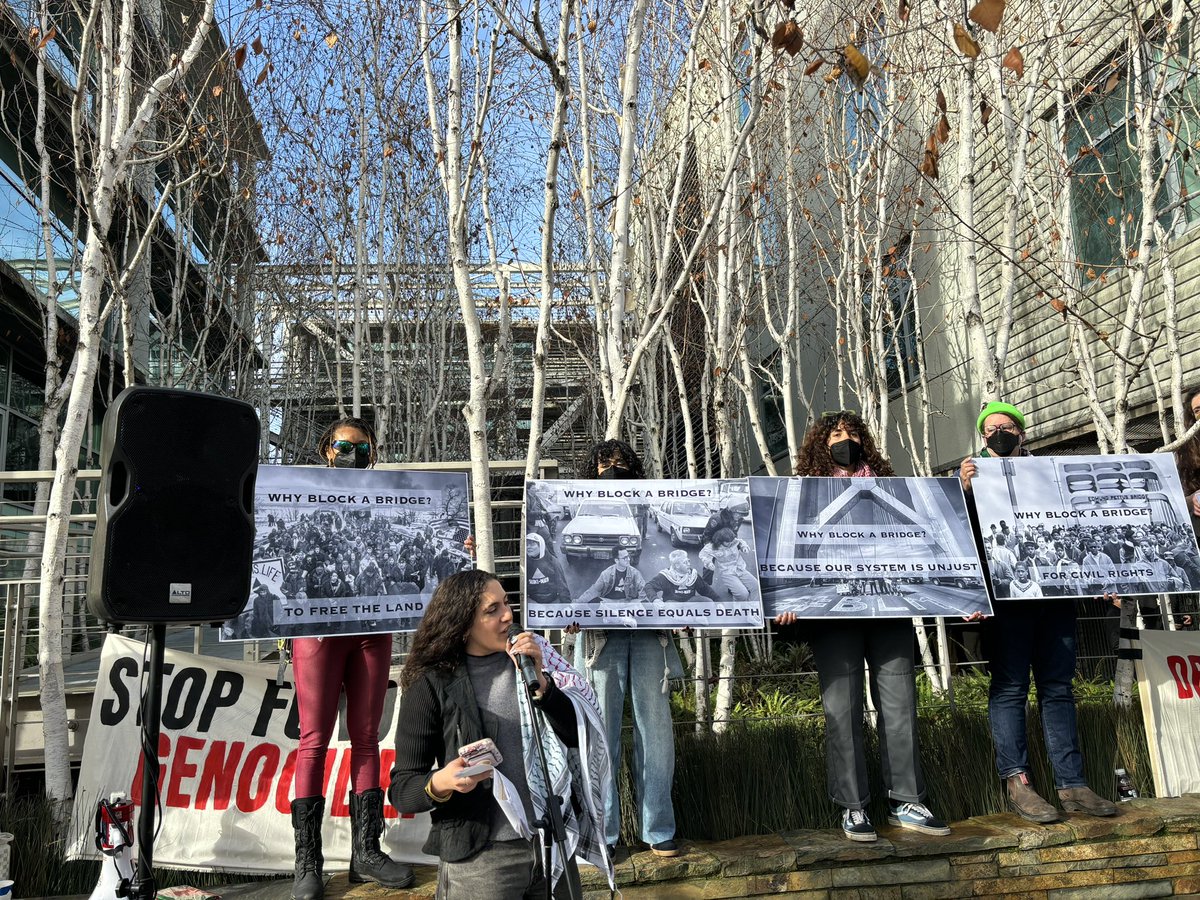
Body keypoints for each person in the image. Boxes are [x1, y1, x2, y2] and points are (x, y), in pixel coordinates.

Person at [777, 411, 949, 843]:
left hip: (889, 609)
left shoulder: (893, 490)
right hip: (832, 615)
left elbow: (924, 539)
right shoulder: (803, 494)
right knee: (842, 711)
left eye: (853, 433)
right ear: (820, 443)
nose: (846, 440)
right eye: (836, 434)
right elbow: (787, 547)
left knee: (900, 705)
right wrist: (785, 599)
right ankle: (853, 807)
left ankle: (907, 799)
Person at [389, 570, 610, 897]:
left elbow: (577, 737)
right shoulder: (431, 683)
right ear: (462, 623)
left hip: (550, 846)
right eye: (492, 610)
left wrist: (544, 687)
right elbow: (402, 788)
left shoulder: (534, 660)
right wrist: (442, 782)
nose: (508, 615)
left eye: (506, 603)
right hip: (481, 860)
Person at [959, 401, 1117, 823]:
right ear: (983, 437)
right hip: (1006, 602)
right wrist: (966, 493)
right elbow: (959, 539)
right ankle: (1018, 782)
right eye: (990, 429)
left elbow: (1084, 524)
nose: (998, 434)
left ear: (1022, 433)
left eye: (1006, 426)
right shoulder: (970, 478)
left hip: (1057, 599)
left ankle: (1072, 784)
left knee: (1058, 688)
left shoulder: (1051, 472)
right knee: (1010, 688)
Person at [288, 417, 414, 900]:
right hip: (317, 629)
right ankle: (308, 863)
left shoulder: (386, 496)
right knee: (314, 738)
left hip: (371, 628)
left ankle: (366, 852)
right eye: (344, 446)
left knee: (366, 736)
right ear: (326, 450)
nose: (352, 454)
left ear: (374, 454)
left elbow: (407, 548)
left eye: (362, 448)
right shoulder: (301, 491)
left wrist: (455, 551)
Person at [573, 439, 683, 858]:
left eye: (620, 463)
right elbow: (584, 593)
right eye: (604, 464)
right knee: (600, 733)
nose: (612, 469)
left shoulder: (648, 510)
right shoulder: (582, 508)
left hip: (651, 633)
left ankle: (659, 828)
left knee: (656, 733)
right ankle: (604, 834)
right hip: (601, 641)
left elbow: (664, 574)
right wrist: (562, 613)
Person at [698, 528, 758, 603]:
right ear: (720, 540)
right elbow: (702, 554)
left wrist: (744, 547)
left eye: (731, 541)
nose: (730, 543)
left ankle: (750, 606)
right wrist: (709, 563)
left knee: (756, 587)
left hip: (740, 569)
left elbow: (741, 542)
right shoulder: (712, 546)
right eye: (727, 542)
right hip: (728, 573)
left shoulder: (733, 541)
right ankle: (738, 606)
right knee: (743, 594)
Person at [641, 549, 722, 603]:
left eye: (688, 561)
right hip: (672, 605)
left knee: (709, 602)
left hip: (690, 603)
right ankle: (692, 620)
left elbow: (705, 589)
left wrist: (718, 601)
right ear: (677, 566)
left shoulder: (693, 574)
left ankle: (691, 619)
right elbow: (648, 586)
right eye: (685, 562)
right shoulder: (665, 575)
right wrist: (655, 599)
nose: (689, 564)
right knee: (668, 607)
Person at [577, 546, 647, 604]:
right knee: (594, 603)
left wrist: (647, 604)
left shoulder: (635, 573)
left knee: (642, 605)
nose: (628, 559)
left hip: (627, 603)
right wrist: (574, 606)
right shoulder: (606, 574)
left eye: (628, 556)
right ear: (616, 560)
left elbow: (643, 590)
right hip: (610, 603)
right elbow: (593, 591)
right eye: (625, 558)